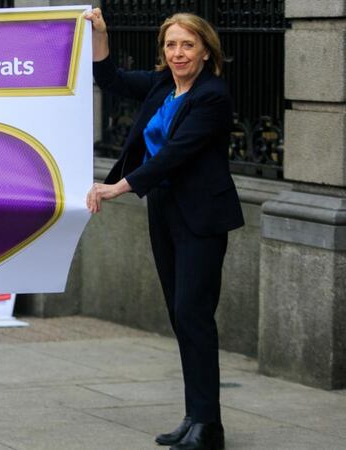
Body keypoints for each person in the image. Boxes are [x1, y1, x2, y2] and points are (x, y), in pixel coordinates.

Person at [84, 9, 244, 450]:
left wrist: (119, 186)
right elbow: (111, 78)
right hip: (166, 212)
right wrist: (101, 34)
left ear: (206, 50)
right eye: (171, 45)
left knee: (194, 314)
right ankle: (195, 416)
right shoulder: (162, 86)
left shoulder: (211, 96)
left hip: (202, 218)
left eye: (187, 45)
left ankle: (209, 426)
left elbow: (175, 153)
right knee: (180, 315)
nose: (178, 53)